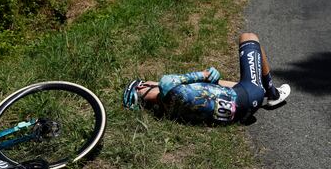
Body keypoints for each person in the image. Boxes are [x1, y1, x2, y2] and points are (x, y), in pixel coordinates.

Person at [122, 33, 291, 123]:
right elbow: (206, 74)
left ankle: (260, 91)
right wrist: (206, 72)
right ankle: (272, 94)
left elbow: (207, 86)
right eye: (143, 83)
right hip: (251, 94)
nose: (149, 82)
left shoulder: (169, 112)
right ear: (141, 89)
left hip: (241, 113)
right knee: (248, 37)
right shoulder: (167, 85)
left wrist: (208, 79)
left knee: (209, 89)